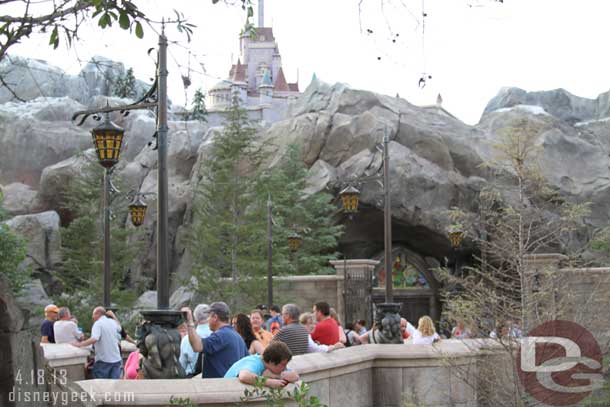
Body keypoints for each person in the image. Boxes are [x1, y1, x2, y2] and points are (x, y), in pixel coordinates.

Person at [182, 302, 248, 378]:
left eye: (209, 317)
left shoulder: (221, 335)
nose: (208, 320)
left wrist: (189, 322)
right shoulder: (238, 337)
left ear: (215, 317)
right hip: (232, 386)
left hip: (218, 387)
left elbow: (197, 346)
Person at [273, 304, 344, 356]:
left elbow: (269, 350)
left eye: (282, 314)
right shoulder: (304, 331)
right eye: (310, 323)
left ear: (287, 315)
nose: (281, 317)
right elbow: (313, 347)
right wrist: (333, 347)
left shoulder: (284, 331)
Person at [71, 306, 122, 379]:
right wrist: (113, 316)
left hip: (104, 360)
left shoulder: (98, 324)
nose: (92, 317)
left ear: (98, 314)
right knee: (114, 387)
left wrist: (80, 344)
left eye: (93, 314)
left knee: (100, 386)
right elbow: (119, 327)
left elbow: (94, 338)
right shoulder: (112, 322)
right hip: (116, 359)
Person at [224, 341, 300, 388]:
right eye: (283, 365)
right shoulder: (254, 362)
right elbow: (244, 376)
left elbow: (295, 376)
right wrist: (270, 382)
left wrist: (278, 376)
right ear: (271, 362)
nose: (285, 368)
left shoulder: (271, 366)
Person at [179, 304, 211, 377]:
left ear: (195, 318)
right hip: (213, 379)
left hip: (190, 380)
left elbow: (182, 366)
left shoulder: (186, 339)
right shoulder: (216, 336)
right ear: (210, 317)